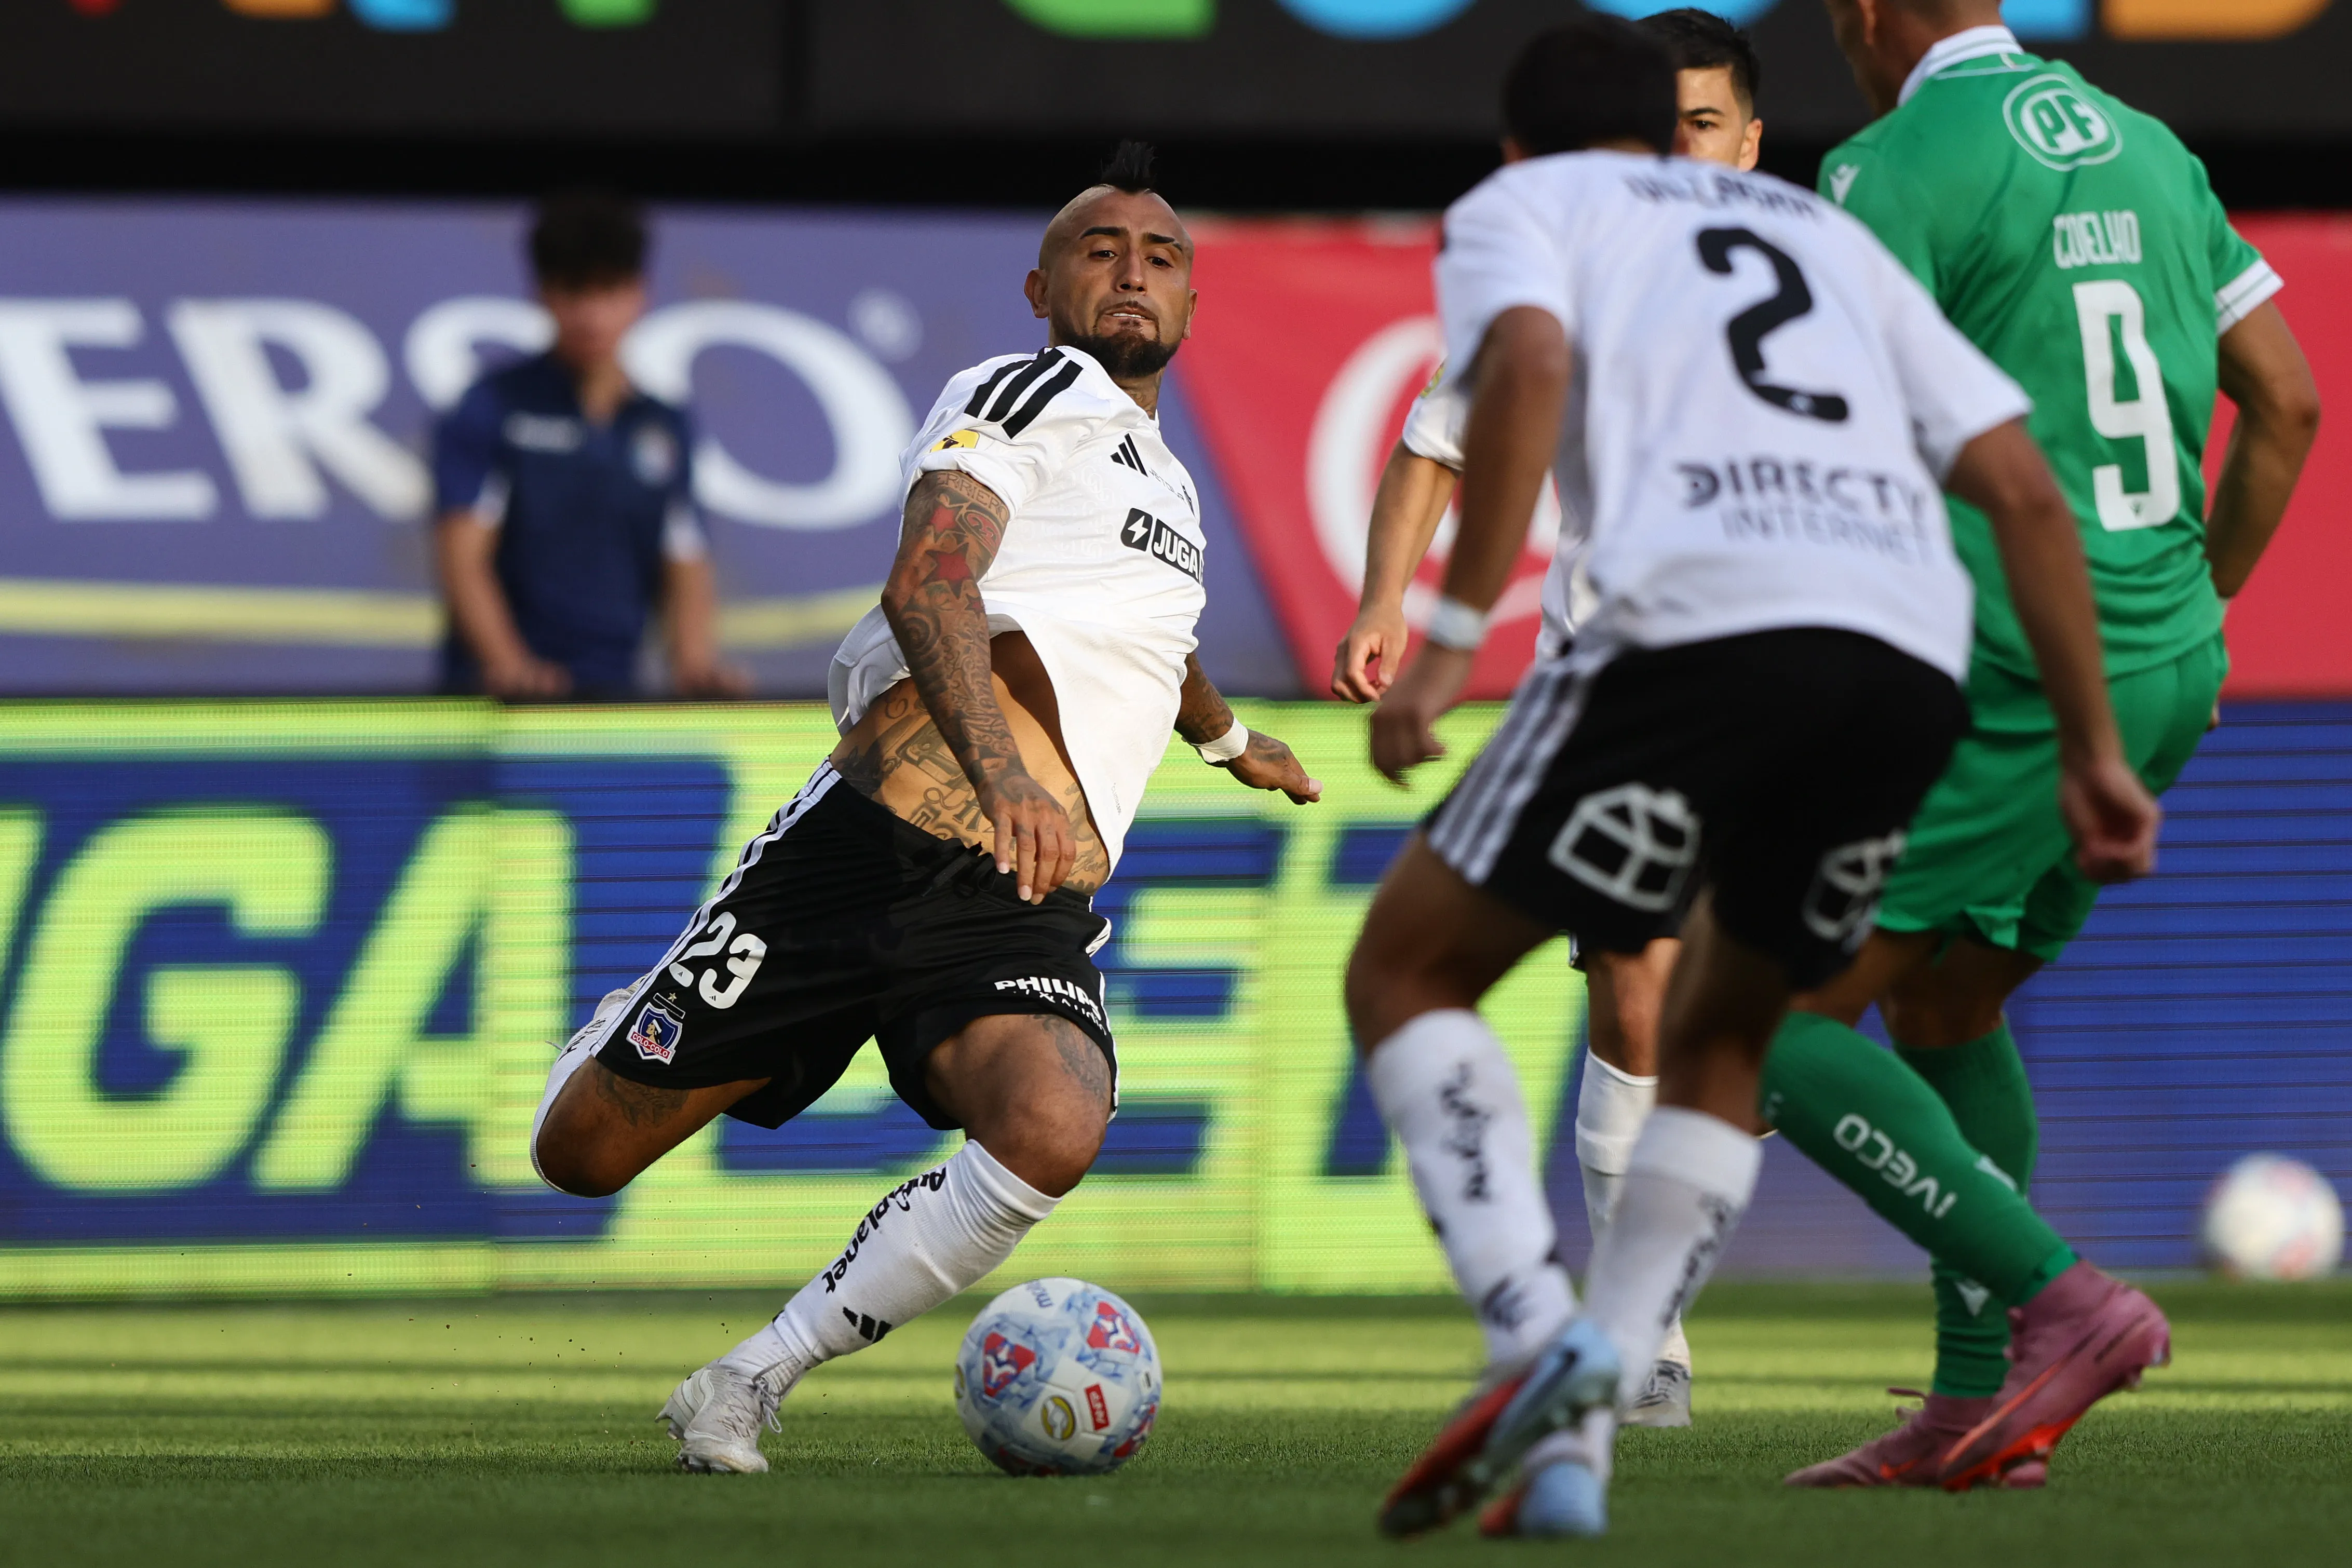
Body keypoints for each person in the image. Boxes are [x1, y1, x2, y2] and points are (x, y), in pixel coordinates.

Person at [1346, 16, 2160, 1540]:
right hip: (1907, 658)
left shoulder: (1531, 208)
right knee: (1730, 1027)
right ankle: (1593, 1407)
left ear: (1524, 146)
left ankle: (1541, 1335)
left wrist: (1452, 636)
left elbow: (1520, 367)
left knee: (1404, 970)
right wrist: (2093, 746)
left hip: (1693, 634)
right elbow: (2020, 482)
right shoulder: (1819, 222)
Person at [526, 143, 1321, 1474]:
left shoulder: (1171, 484)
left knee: (1055, 1122)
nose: (1133, 271)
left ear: (1192, 307)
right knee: (582, 1157)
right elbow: (930, 582)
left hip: (1020, 896)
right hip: (869, 851)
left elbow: (1143, 637)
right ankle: (632, 1009)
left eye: (1162, 256)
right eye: (1100, 249)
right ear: (1042, 285)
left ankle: (748, 1376)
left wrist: (1229, 734)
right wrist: (1007, 777)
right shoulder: (1024, 390)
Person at [1769, 0, 2321, 1489]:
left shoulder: (1890, 169)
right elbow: (2288, 401)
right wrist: (2199, 618)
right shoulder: (2155, 151)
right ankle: (1973, 1408)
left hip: (2008, 667)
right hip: (2162, 660)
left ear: (1869, 15)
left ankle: (2069, 1306)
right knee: (1946, 1004)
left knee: (1756, 1018)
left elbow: (1846, 445)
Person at [1327, 5, 1767, 1430]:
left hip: (1757, 671)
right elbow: (1441, 434)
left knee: (1759, 1025)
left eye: (1707, 126)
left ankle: (1559, 1321)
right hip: (1647, 674)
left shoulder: (1787, 264)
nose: (1680, 151)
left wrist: (1447, 637)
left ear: (1751, 141)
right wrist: (1390, 597)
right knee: (1639, 991)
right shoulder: (1631, 261)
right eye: (1667, 123)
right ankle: (1647, 1341)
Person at [432, 191, 746, 700]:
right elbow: (463, 558)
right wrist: (510, 667)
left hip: (612, 701)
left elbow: (686, 559)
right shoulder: (493, 405)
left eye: (609, 289)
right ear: (542, 294)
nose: (591, 313)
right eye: (574, 290)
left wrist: (695, 665)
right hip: (495, 709)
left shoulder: (663, 424)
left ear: (640, 292)